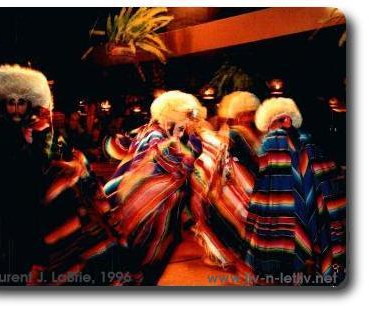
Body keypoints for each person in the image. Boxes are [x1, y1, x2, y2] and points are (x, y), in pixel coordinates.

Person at [102, 90, 206, 285]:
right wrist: (192, 145)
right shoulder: (157, 136)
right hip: (149, 208)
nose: (190, 122)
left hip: (144, 204)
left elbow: (118, 146)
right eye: (187, 116)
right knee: (143, 258)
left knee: (135, 258)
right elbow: (176, 163)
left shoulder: (149, 130)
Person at [245, 97, 346, 285]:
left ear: (285, 120)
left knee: (283, 255)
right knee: (306, 253)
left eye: (270, 124)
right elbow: (327, 176)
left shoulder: (269, 143)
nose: (268, 130)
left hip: (280, 211)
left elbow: (261, 179)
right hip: (311, 211)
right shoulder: (308, 141)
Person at [0, 64, 53, 285]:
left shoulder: (39, 130)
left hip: (28, 202)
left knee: (23, 256)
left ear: (29, 103)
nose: (17, 109)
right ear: (4, 103)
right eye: (12, 102)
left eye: (21, 102)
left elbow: (46, 162)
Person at [190, 91, 262, 278]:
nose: (253, 116)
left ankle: (230, 257)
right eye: (250, 112)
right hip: (242, 185)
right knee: (239, 218)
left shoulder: (232, 132)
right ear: (241, 114)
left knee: (229, 217)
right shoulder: (239, 133)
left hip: (236, 185)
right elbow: (255, 159)